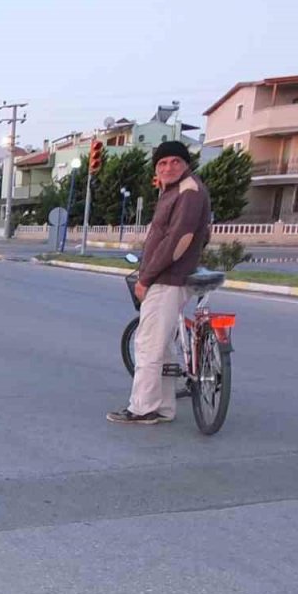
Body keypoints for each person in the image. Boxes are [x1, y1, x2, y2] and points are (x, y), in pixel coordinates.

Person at [107, 140, 211, 425]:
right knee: (162, 346)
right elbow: (199, 234)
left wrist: (146, 277)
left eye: (175, 161)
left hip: (167, 279)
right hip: (171, 276)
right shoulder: (175, 190)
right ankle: (164, 407)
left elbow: (179, 240)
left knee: (148, 345)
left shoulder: (188, 191)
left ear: (186, 164)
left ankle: (143, 408)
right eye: (162, 163)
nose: (168, 167)